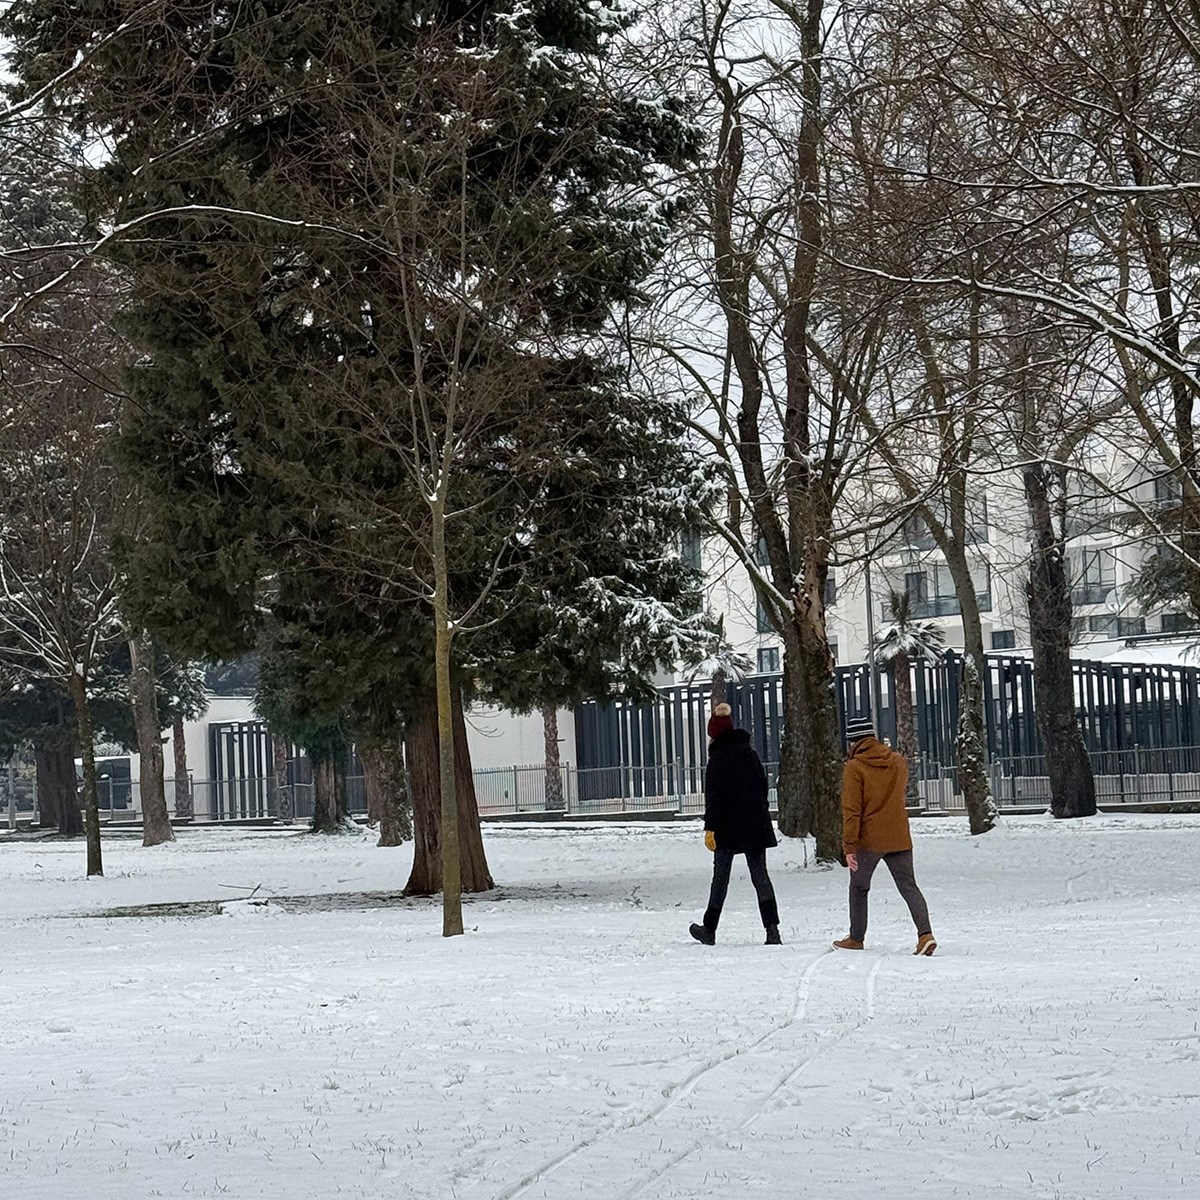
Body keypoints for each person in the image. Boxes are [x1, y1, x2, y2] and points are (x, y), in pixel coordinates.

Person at [833, 714, 937, 956]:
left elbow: (851, 810)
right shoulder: (898, 762)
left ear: (853, 742)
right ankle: (925, 935)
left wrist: (849, 846)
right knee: (909, 887)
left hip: (869, 839)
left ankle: (856, 938)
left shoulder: (854, 768)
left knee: (859, 888)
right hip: (899, 836)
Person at [689, 703, 782, 946]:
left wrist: (711, 828)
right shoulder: (750, 754)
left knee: (720, 878)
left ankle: (709, 929)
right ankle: (772, 930)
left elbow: (715, 798)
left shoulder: (718, 760)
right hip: (754, 825)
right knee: (760, 876)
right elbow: (762, 788)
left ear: (715, 735)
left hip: (726, 828)